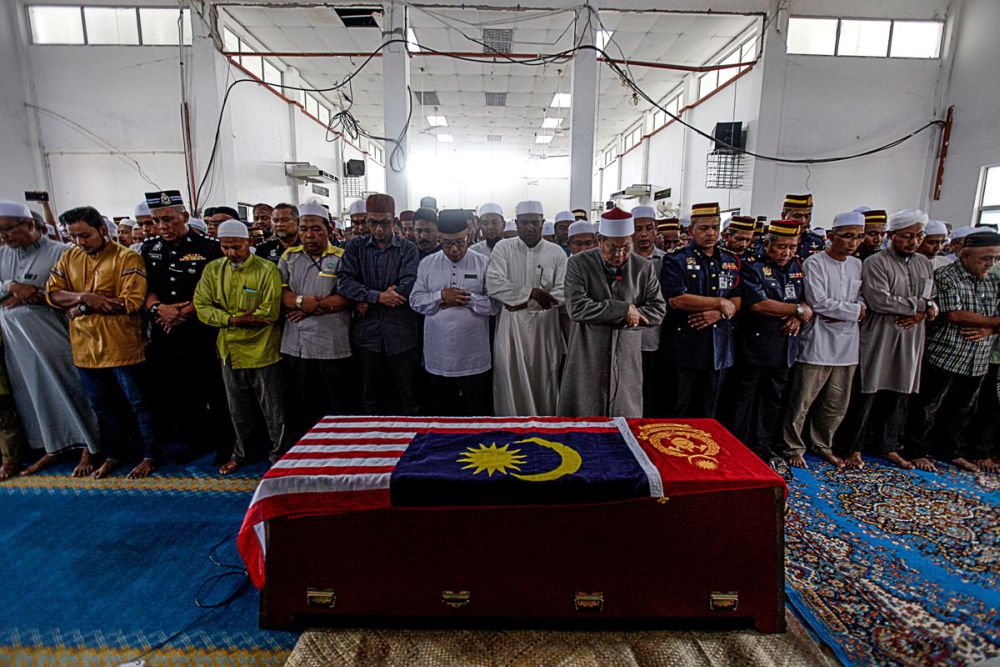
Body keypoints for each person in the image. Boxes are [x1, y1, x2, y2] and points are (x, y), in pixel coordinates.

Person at [47, 206, 160, 479]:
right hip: (85, 348)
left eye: (85, 235)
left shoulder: (127, 258)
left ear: (101, 229)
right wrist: (86, 297)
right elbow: (52, 294)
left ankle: (151, 454)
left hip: (122, 345)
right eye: (73, 236)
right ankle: (114, 454)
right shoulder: (69, 257)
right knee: (102, 406)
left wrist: (83, 306)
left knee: (138, 403)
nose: (79, 242)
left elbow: (131, 302)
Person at [0, 200, 99, 476]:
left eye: (8, 230)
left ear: (30, 225)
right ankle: (52, 447)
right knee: (32, 395)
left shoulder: (63, 253)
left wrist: (40, 295)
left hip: (56, 337)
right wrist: (12, 287)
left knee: (73, 388)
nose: (4, 237)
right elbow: (14, 291)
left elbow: (80, 291)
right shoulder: (2, 254)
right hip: (17, 344)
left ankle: (89, 447)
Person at [141, 190, 231, 463]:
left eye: (168, 219)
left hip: (200, 331)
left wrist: (185, 312)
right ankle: (194, 440)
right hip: (164, 330)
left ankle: (225, 443)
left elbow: (216, 289)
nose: (162, 226)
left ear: (184, 216)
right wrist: (160, 310)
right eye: (157, 221)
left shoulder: (209, 247)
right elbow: (145, 289)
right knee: (178, 390)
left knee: (213, 389)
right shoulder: (150, 249)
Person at [193, 220, 288, 474]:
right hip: (229, 351)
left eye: (236, 246)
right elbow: (201, 305)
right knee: (238, 410)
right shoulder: (213, 270)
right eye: (225, 248)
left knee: (273, 410)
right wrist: (232, 319)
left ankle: (278, 454)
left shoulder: (267, 270)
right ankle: (242, 454)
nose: (231, 253)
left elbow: (268, 311)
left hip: (264, 350)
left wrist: (225, 318)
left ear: (249, 243)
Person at [845, 209, 937, 470]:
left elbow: (932, 298)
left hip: (910, 337)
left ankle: (887, 446)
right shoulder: (875, 262)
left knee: (898, 394)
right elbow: (879, 300)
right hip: (880, 335)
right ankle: (854, 447)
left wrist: (922, 312)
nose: (914, 241)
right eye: (908, 236)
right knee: (868, 392)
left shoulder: (923, 262)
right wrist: (918, 307)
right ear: (893, 236)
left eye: (918, 236)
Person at [902, 231, 1000, 473]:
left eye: (995, 259)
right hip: (946, 354)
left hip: (977, 358)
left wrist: (988, 329)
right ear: (964, 255)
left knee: (962, 409)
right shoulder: (947, 275)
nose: (990, 264)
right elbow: (954, 314)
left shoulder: (992, 280)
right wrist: (992, 322)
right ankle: (916, 451)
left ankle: (949, 451)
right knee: (928, 406)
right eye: (985, 258)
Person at [558, 207, 665, 417]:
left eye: (626, 247)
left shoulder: (643, 267)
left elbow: (658, 310)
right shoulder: (578, 264)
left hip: (627, 354)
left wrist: (624, 316)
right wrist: (624, 310)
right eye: (612, 248)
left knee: (625, 415)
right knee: (584, 414)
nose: (619, 254)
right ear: (600, 240)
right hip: (588, 351)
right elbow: (577, 308)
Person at [782, 212, 867, 469]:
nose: (853, 242)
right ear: (831, 236)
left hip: (847, 345)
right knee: (802, 401)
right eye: (847, 236)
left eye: (858, 237)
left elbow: (862, 299)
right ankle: (793, 446)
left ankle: (822, 444)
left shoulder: (857, 265)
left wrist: (855, 309)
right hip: (817, 342)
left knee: (836, 402)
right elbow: (818, 303)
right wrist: (853, 312)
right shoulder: (813, 263)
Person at [723, 220, 811, 465]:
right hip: (754, 346)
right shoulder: (753, 266)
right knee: (743, 401)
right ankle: (737, 450)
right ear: (768, 243)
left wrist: (797, 315)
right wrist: (797, 310)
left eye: (792, 247)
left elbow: (805, 301)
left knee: (773, 400)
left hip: (785, 346)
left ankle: (762, 449)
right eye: (781, 246)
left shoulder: (797, 266)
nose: (786, 252)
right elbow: (760, 304)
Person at [338, 194, 421, 415]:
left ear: (393, 221)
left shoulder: (407, 248)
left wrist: (365, 297)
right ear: (366, 220)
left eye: (384, 223)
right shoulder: (355, 247)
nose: (379, 229)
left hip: (401, 335)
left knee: (407, 396)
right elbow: (344, 282)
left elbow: (408, 283)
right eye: (373, 222)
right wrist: (376, 296)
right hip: (367, 336)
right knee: (371, 396)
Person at [279, 203, 355, 439]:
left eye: (316, 229)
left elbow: (347, 297)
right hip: (297, 346)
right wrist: (303, 302)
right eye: (303, 229)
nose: (309, 235)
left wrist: (311, 307)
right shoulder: (289, 257)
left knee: (336, 406)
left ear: (330, 229)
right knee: (301, 406)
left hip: (332, 345)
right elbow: (280, 294)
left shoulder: (343, 257)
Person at [410, 209, 496, 416]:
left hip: (474, 354)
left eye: (460, 241)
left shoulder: (483, 262)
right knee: (443, 414)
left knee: (477, 411)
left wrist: (467, 299)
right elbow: (415, 301)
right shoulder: (427, 264)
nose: (455, 249)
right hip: (439, 354)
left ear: (469, 235)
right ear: (439, 238)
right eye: (448, 243)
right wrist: (441, 296)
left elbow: (495, 305)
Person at [659, 202, 741, 418]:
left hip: (718, 348)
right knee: (679, 407)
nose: (711, 233)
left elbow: (736, 298)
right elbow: (676, 299)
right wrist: (719, 303)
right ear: (691, 231)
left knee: (709, 410)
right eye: (704, 228)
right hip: (685, 347)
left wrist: (720, 311)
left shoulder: (729, 260)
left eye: (715, 227)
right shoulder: (676, 259)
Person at [486, 200, 567, 416]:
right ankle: (511, 425)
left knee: (545, 377)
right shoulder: (503, 248)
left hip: (545, 328)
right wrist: (532, 294)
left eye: (534, 222)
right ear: (516, 223)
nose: (530, 227)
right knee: (510, 376)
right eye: (524, 223)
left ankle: (545, 427)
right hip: (511, 328)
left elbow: (564, 291)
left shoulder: (556, 252)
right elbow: (494, 284)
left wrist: (521, 302)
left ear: (542, 223)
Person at [630, 206, 667, 416]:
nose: (643, 234)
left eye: (648, 228)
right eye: (637, 229)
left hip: (655, 336)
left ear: (656, 229)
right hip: (629, 334)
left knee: (652, 389)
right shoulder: (622, 260)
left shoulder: (667, 260)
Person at [782, 194, 825, 260]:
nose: (803, 221)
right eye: (797, 216)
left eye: (807, 216)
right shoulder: (770, 241)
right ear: (783, 216)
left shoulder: (817, 242)